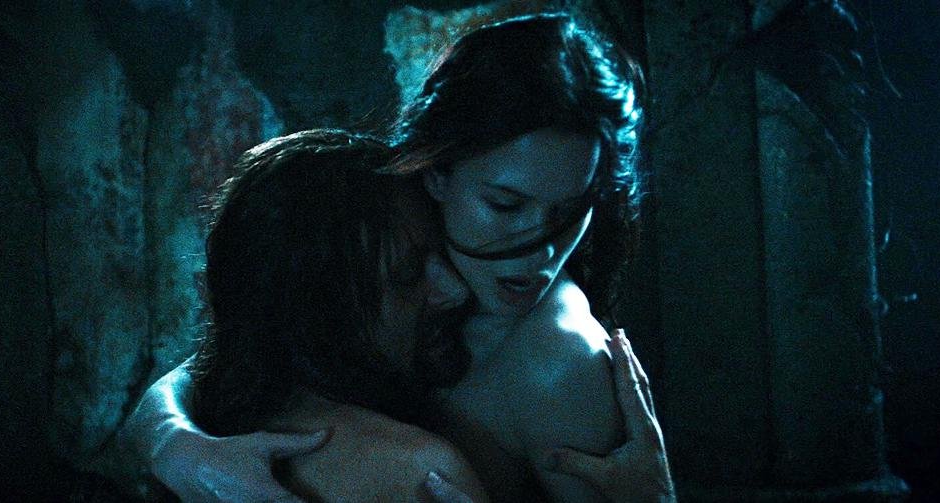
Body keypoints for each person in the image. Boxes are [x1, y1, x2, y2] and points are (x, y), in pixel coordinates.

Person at [132, 12, 675, 502]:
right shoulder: (386, 229)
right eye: (505, 204)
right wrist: (174, 441)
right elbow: (252, 340)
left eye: (570, 212)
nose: (542, 249)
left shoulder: (559, 363)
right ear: (436, 173)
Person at [178, 128, 489, 501]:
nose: (456, 290)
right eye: (408, 275)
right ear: (322, 313)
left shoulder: (206, 412)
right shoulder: (421, 471)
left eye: (444, 254)